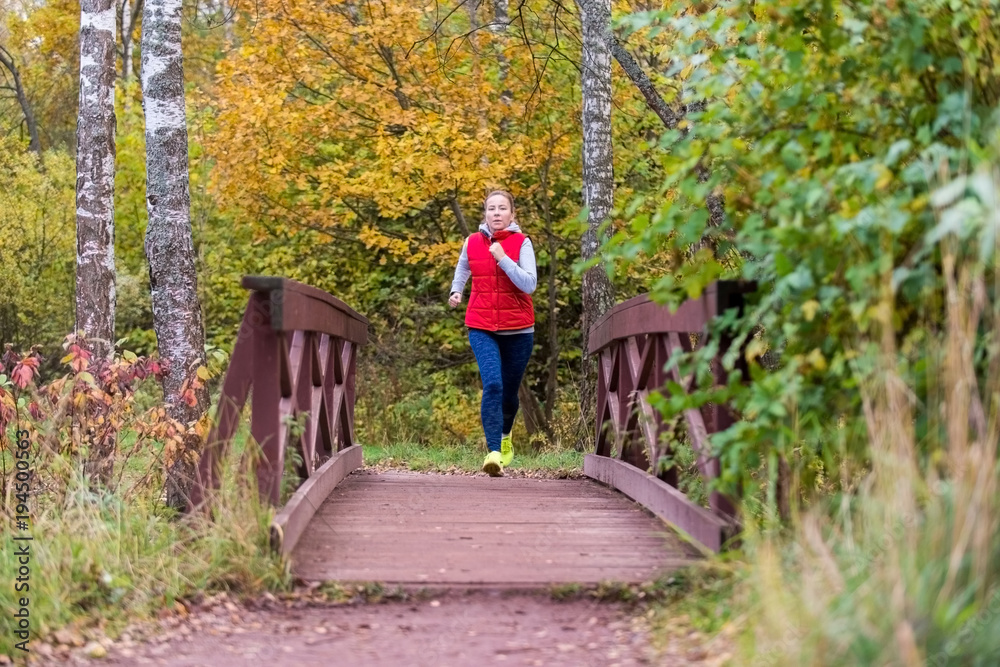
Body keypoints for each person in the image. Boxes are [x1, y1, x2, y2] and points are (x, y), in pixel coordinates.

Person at [449, 190, 537, 477]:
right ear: (485, 213)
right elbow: (464, 266)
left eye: (502, 208)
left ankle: (506, 436)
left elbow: (530, 284)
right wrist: (457, 290)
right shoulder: (472, 242)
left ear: (513, 214)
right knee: (494, 385)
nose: (496, 213)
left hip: (519, 329)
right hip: (481, 325)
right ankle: (494, 453)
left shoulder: (522, 243)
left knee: (510, 394)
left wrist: (503, 259)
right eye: (491, 208)